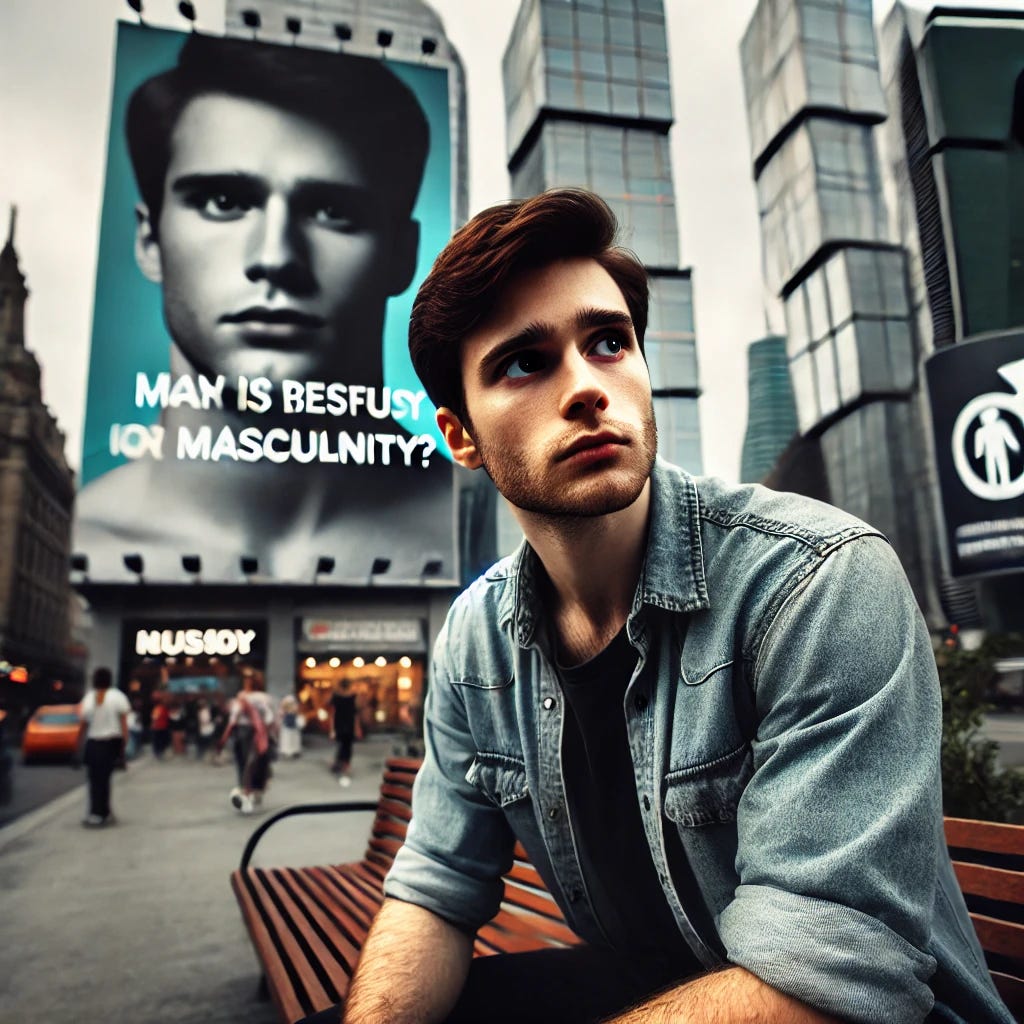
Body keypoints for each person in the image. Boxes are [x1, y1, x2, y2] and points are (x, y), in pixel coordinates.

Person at [318, 190, 1015, 1024]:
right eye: (524, 362)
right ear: (459, 435)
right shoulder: (479, 638)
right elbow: (436, 886)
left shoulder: (816, 581)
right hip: (657, 988)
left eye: (608, 342)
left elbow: (830, 971)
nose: (586, 387)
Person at [74, 32, 455, 583]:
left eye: (331, 210)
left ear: (402, 254)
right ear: (149, 239)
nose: (276, 258)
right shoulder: (89, 537)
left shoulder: (485, 523)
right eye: (223, 202)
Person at [78, 667, 130, 827]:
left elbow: (83, 724)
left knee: (94, 780)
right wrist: (123, 746)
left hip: (93, 742)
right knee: (105, 779)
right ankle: (104, 813)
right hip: (111, 742)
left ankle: (96, 813)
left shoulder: (88, 698)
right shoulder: (118, 697)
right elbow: (123, 724)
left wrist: (78, 745)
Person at [218, 678, 275, 814]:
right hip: (261, 733)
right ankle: (256, 790)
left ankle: (246, 792)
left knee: (245, 764)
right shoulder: (266, 698)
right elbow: (270, 718)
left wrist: (223, 739)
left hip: (245, 732)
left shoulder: (243, 698)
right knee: (258, 763)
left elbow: (233, 719)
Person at [329, 679, 358, 787]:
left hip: (341, 725)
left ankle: (341, 766)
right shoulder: (351, 697)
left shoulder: (338, 697)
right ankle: (342, 766)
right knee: (346, 747)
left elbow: (332, 713)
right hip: (346, 725)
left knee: (343, 746)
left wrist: (331, 729)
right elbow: (355, 714)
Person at [277, 694, 304, 759]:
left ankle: (294, 751)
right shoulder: (284, 712)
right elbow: (281, 718)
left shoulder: (294, 712)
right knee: (287, 740)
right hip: (287, 729)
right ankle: (287, 751)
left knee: (293, 740)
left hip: (293, 729)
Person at [149, 693, 170, 760]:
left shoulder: (160, 708)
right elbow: (154, 718)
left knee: (159, 741)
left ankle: (158, 753)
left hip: (161, 727)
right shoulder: (160, 708)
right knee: (159, 741)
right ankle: (158, 753)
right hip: (160, 727)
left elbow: (155, 718)